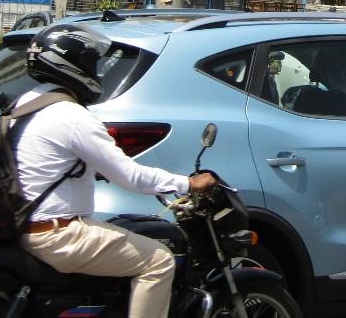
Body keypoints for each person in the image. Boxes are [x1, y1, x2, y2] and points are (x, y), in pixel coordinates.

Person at [15, 24, 217, 318]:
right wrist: (188, 183)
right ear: (72, 65)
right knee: (159, 261)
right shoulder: (72, 116)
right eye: (91, 63)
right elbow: (130, 176)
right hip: (58, 236)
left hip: (24, 227)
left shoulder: (24, 104)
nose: (96, 71)